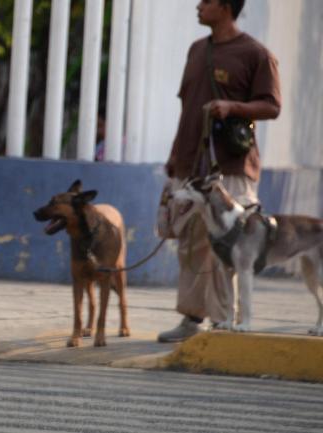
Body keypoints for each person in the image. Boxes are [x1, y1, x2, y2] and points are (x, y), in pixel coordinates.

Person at [157, 0, 281, 343]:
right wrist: (175, 156)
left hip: (230, 167)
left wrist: (234, 107)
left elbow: (272, 105)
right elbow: (187, 109)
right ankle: (192, 319)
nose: (198, 6)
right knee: (189, 242)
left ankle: (226, 319)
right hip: (190, 165)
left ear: (226, 7)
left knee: (227, 246)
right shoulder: (197, 50)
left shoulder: (256, 54)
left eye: (206, 1)